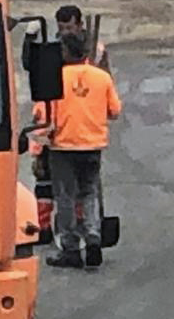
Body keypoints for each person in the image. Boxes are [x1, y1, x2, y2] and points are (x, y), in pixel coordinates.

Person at [37, 32, 121, 270]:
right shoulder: (101, 78)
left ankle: (71, 247)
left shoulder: (54, 78)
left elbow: (41, 115)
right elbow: (114, 110)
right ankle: (93, 236)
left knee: (65, 196)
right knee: (89, 192)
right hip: (93, 144)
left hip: (64, 145)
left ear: (65, 52)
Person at [55, 4, 109, 72]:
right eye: (61, 28)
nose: (64, 32)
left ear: (80, 25)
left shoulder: (95, 48)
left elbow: (106, 77)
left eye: (69, 28)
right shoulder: (55, 47)